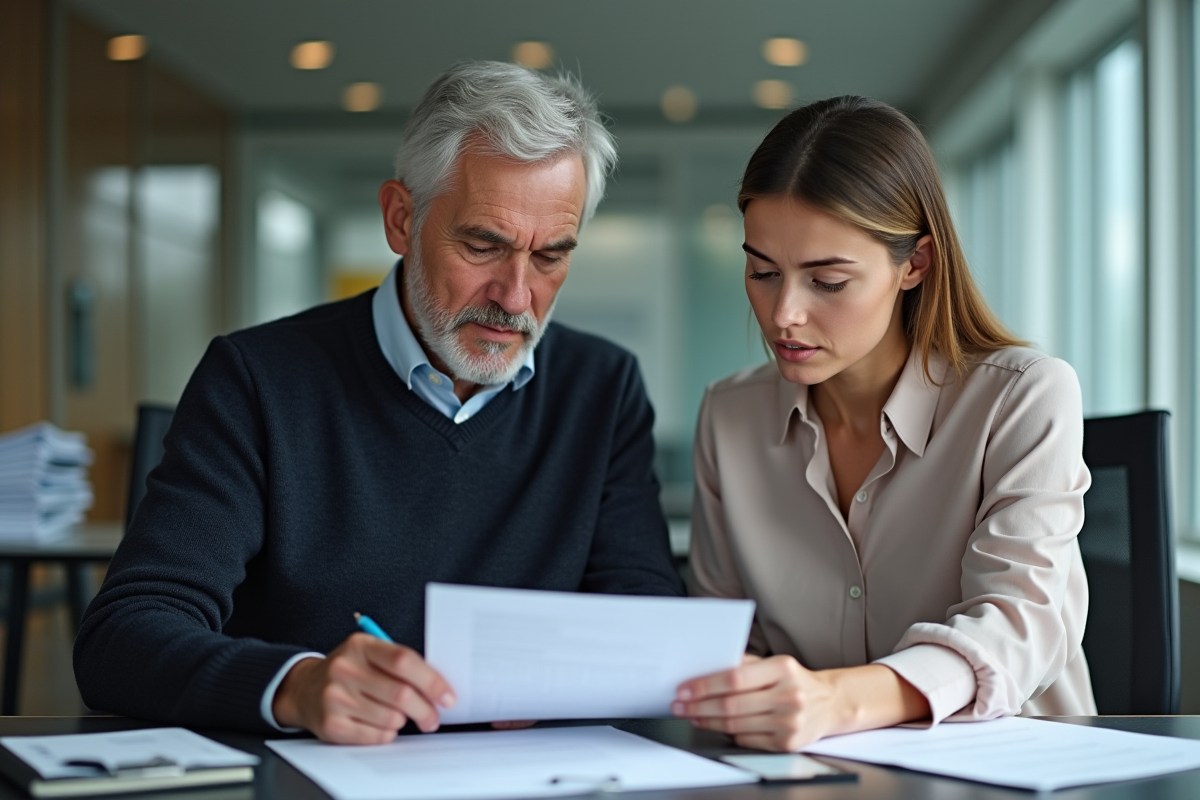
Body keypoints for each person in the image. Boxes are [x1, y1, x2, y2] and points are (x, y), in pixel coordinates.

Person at [74, 61, 683, 744]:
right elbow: (122, 637)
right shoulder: (257, 378)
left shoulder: (603, 387)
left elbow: (644, 616)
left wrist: (563, 678)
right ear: (401, 218)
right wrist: (296, 686)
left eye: (551, 257)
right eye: (484, 245)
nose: (515, 296)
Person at [672, 96, 1095, 752]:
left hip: (1013, 769)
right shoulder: (729, 416)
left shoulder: (1024, 397)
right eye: (762, 272)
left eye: (828, 281)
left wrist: (835, 698)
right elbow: (722, 644)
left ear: (915, 264)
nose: (783, 313)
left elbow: (1015, 628)